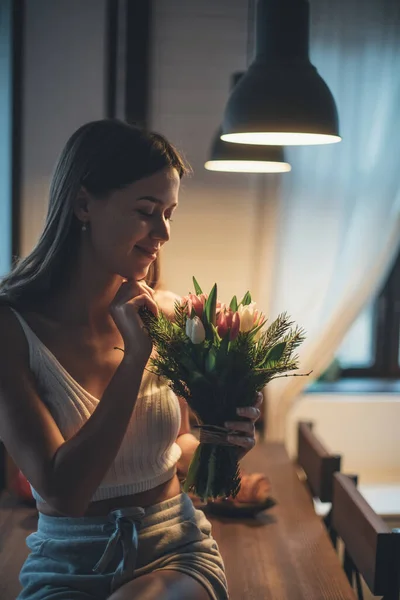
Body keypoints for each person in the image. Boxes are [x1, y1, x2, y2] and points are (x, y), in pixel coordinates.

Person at [0, 119, 262, 600]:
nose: (163, 231)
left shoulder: (166, 313)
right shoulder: (11, 329)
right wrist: (133, 361)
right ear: (83, 204)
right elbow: (63, 492)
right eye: (147, 211)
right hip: (65, 565)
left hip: (175, 551)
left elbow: (175, 445)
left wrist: (218, 447)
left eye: (170, 213)